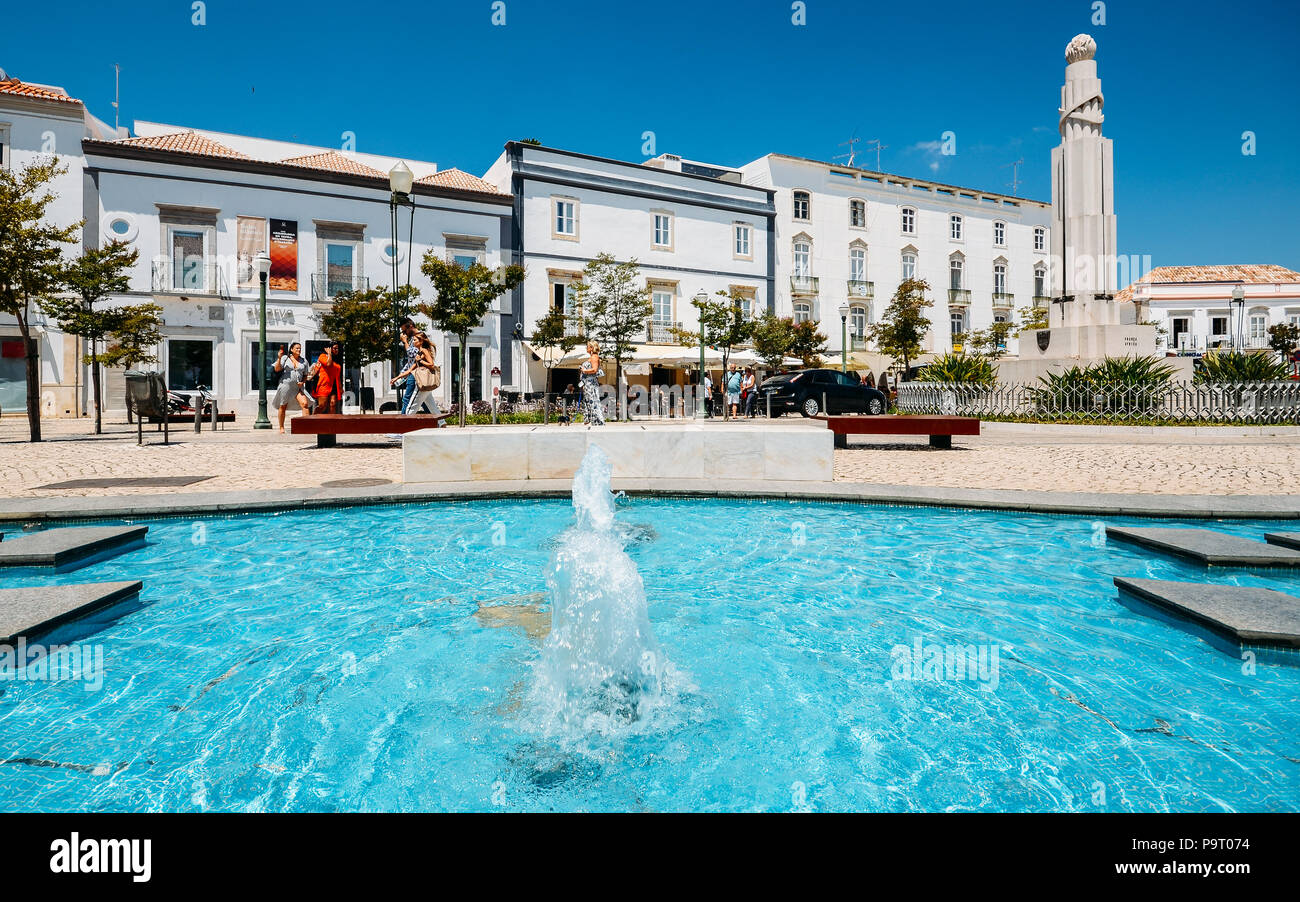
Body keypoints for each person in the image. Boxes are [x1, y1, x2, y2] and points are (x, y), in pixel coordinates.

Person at [400, 332, 444, 423]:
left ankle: (403, 430)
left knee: (410, 409)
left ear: (421, 341)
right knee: (433, 408)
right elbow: (410, 370)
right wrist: (396, 378)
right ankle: (442, 423)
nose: (413, 342)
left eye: (415, 340)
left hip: (423, 384)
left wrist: (420, 361)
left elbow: (431, 364)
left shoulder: (424, 350)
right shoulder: (419, 353)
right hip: (425, 384)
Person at [271, 342, 311, 432]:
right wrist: (279, 358)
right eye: (297, 348)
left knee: (305, 404)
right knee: (283, 406)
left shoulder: (304, 361)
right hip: (286, 385)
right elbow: (277, 369)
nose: (299, 350)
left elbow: (305, 375)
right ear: (292, 349)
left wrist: (303, 382)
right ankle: (281, 427)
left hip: (297, 387)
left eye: (300, 348)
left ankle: (307, 427)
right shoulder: (285, 358)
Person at [312, 342, 343, 415]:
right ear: (329, 349)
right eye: (335, 348)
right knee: (322, 406)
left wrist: (340, 388)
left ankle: (331, 422)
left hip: (334, 386)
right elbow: (328, 364)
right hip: (324, 385)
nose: (336, 350)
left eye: (337, 348)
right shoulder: (322, 356)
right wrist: (329, 354)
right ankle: (314, 418)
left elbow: (338, 376)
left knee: (333, 404)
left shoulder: (337, 360)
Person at [395, 317, 418, 414]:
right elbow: (410, 361)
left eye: (404, 331)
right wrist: (401, 375)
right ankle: (440, 422)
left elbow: (412, 355)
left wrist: (405, 342)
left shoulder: (418, 337)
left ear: (410, 326)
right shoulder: (413, 338)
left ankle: (402, 421)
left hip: (415, 373)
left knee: (406, 399)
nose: (404, 334)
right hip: (413, 372)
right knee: (425, 400)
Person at [580, 340, 605, 426]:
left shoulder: (594, 357)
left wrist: (584, 370)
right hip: (587, 383)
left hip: (591, 383)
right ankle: (590, 419)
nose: (586, 348)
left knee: (593, 400)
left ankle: (597, 420)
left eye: (587, 346)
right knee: (588, 400)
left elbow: (594, 369)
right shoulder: (592, 357)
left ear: (591, 348)